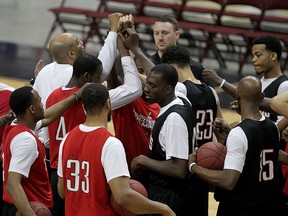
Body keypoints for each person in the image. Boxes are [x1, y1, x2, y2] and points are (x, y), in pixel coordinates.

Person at [47, 31, 143, 215]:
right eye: (98, 78)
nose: (101, 82)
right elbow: (134, 88)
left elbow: (45, 136)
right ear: (86, 78)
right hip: (86, 170)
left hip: (58, 172)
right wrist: (123, 53)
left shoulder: (53, 97)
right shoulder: (92, 99)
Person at [57, 83, 175, 216]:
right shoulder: (110, 143)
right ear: (108, 103)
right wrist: (163, 209)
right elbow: (123, 196)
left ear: (84, 107)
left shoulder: (67, 138)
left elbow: (62, 191)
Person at [202, 35, 288, 214]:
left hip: (264, 171)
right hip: (258, 165)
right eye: (252, 55)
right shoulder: (260, 84)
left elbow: (274, 126)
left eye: (258, 54)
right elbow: (258, 118)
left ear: (273, 56)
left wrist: (239, 129)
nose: (254, 60)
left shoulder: (284, 85)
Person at [189, 76, 280, 216]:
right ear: (262, 96)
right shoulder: (273, 128)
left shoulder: (239, 133)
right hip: (267, 207)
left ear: (237, 94)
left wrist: (194, 166)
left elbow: (228, 181)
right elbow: (254, 155)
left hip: (239, 208)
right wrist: (225, 140)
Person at [33, 12, 123, 148]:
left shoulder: (44, 71)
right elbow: (102, 68)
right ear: (71, 54)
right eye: (77, 42)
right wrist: (114, 31)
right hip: (62, 146)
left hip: (42, 142)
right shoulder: (72, 72)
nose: (81, 42)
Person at [1, 85, 86, 216]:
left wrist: (75, 96)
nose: (43, 104)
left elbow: (48, 117)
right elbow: (13, 184)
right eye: (40, 101)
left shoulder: (15, 126)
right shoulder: (26, 140)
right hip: (25, 207)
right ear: (32, 109)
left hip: (17, 206)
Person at [161, 45, 223, 216]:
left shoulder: (181, 89)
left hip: (186, 163)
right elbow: (220, 124)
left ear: (171, 68)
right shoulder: (211, 91)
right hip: (204, 164)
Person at [131, 63, 196, 216]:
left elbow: (179, 169)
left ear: (167, 89)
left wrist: (143, 161)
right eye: (147, 83)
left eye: (152, 86)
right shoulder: (182, 99)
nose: (146, 88)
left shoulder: (174, 119)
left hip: (169, 196)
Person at [151, 15, 204, 81]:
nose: (160, 38)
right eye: (156, 33)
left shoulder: (195, 68)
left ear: (177, 35)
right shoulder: (145, 65)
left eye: (165, 33)